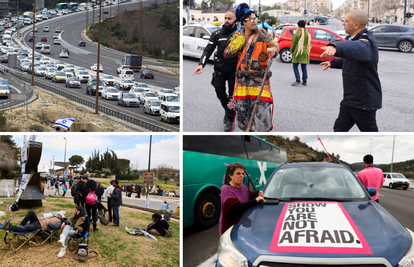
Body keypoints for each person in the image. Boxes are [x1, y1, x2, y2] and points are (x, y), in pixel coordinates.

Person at [319, 9, 381, 132]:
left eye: (346, 21)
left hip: (362, 103)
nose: (343, 23)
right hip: (350, 100)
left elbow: (358, 48)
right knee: (338, 130)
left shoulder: (366, 41)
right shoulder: (354, 38)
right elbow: (350, 60)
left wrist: (335, 46)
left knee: (370, 133)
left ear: (356, 24)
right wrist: (332, 63)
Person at [224, 3, 278, 132]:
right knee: (243, 122)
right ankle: (249, 134)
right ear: (244, 22)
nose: (255, 21)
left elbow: (274, 45)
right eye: (251, 19)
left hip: (260, 82)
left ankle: (261, 137)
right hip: (242, 84)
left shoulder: (263, 34)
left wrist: (274, 51)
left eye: (255, 18)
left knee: (263, 120)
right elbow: (226, 53)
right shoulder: (237, 36)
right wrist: (234, 48)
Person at [193, 11, 238, 131]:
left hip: (234, 71)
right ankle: (227, 109)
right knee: (220, 93)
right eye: (225, 18)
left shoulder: (240, 35)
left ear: (235, 20)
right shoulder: (217, 34)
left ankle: (230, 119)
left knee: (233, 96)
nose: (227, 20)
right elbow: (208, 50)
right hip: (220, 70)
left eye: (229, 18)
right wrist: (201, 64)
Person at [219, 162, 264, 235]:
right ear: (230, 175)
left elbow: (251, 196)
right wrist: (256, 200)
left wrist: (258, 193)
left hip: (241, 225)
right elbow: (235, 208)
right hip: (230, 228)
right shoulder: (226, 189)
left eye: (243, 174)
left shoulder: (242, 186)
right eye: (238, 173)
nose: (241, 176)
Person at [291, 20, 311, 86]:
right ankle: (304, 81)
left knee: (295, 66)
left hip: (298, 51)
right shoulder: (307, 34)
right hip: (305, 52)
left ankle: (298, 80)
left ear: (298, 26)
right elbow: (309, 44)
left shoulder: (296, 34)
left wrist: (292, 51)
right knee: (304, 67)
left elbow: (293, 44)